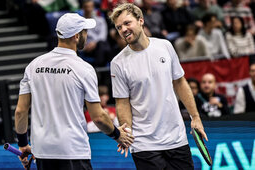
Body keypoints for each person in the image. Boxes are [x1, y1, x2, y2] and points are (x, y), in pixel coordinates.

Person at [14, 13, 134, 170]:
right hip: (73, 150)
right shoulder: (83, 68)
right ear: (77, 36)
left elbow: (20, 111)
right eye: (85, 31)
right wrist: (118, 135)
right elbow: (98, 117)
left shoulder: (33, 66)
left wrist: (23, 145)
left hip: (43, 151)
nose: (87, 35)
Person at [109, 3, 207, 169]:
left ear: (141, 20)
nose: (123, 29)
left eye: (127, 23)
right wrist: (127, 132)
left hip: (177, 139)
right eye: (119, 27)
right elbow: (122, 102)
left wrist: (195, 117)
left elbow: (180, 82)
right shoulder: (117, 63)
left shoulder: (165, 46)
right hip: (144, 144)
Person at [81, 0, 111, 66]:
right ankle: (102, 69)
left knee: (102, 45)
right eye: (86, 7)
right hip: (86, 49)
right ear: (82, 8)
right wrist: (85, 47)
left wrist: (94, 43)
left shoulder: (100, 20)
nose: (88, 9)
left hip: (99, 46)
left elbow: (103, 36)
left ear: (93, 7)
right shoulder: (79, 22)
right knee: (104, 48)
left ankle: (99, 68)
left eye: (90, 7)